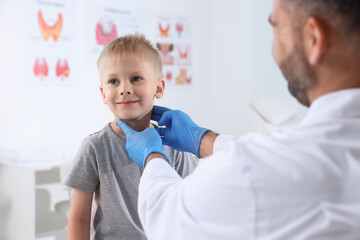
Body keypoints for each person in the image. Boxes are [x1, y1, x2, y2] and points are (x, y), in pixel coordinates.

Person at [116, 0, 360, 239]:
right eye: (113, 80)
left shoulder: (250, 172)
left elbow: (167, 220)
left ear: (313, 39)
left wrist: (152, 156)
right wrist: (205, 140)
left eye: (275, 27)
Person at [64, 34, 197, 239]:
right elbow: (79, 219)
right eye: (113, 81)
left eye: (136, 78)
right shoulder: (94, 148)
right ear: (103, 93)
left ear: (158, 88)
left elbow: (188, 208)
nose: (125, 89)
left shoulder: (176, 145)